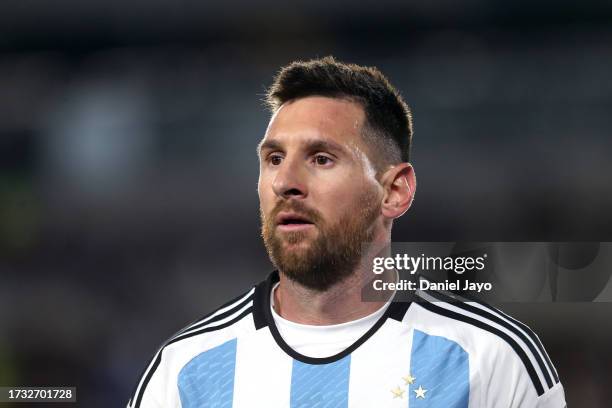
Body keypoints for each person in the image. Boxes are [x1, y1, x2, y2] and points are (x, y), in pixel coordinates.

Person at [127, 56, 566, 407]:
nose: (285, 182)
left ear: (394, 191)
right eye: (274, 159)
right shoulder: (185, 371)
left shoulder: (492, 359)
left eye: (321, 158)